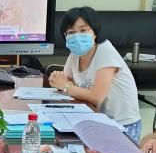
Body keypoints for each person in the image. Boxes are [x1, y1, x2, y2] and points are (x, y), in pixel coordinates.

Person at [48, 7, 143, 142]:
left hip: (121, 125)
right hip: (95, 118)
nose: (77, 36)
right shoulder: (75, 54)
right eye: (71, 32)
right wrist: (59, 82)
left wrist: (65, 86)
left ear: (94, 33)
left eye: (83, 30)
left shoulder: (105, 52)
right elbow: (65, 81)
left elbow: (96, 97)